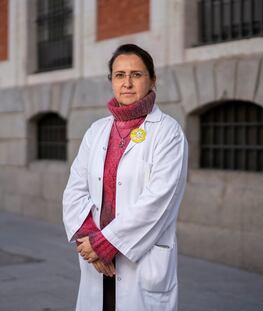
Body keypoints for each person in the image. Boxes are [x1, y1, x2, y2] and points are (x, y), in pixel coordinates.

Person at [62, 44, 188, 311]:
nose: (127, 83)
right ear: (111, 81)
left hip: (139, 260)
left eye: (137, 75)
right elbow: (75, 189)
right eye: (119, 75)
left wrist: (105, 244)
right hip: (97, 261)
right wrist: (90, 242)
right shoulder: (96, 131)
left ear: (152, 80)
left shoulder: (167, 132)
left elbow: (159, 201)